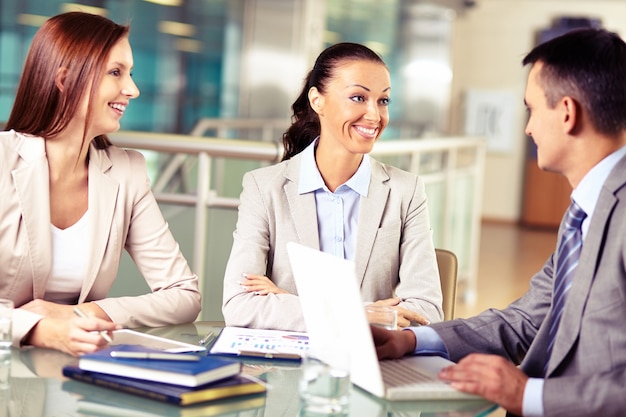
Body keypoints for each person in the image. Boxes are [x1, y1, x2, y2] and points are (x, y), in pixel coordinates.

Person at [372, 27, 626, 417]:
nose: (528, 128)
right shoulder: (585, 212)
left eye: (532, 109)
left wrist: (527, 395)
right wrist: (409, 340)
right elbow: (526, 319)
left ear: (568, 113)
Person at [0, 12, 201, 356]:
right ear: (64, 79)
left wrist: (84, 313)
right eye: (115, 72)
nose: (133, 89)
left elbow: (184, 295)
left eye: (131, 73)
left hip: (78, 373)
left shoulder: (127, 172)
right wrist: (36, 329)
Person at [222, 42, 443, 332]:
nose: (375, 116)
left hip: (376, 362)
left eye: (383, 100)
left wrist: (292, 302)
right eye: (358, 97)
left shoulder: (406, 191)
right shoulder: (263, 188)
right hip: (292, 367)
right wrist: (356, 313)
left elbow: (426, 312)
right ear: (318, 101)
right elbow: (240, 304)